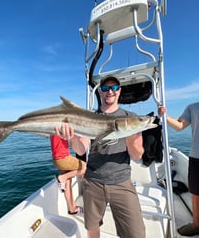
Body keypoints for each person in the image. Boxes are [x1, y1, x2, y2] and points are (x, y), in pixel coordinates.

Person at [55, 76, 146, 238]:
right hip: (93, 182)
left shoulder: (131, 118)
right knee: (92, 227)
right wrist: (73, 137)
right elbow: (81, 150)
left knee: (136, 233)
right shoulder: (89, 116)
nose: (110, 91)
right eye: (105, 88)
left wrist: (130, 136)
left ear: (119, 91)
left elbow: (137, 155)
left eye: (114, 88)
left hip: (121, 182)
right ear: (100, 92)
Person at [158, 104, 199, 236]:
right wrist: (165, 115)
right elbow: (180, 126)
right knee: (195, 192)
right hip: (196, 156)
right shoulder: (192, 108)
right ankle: (197, 224)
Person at [50, 134, 86, 214]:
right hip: (63, 158)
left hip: (56, 159)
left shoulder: (53, 131)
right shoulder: (61, 128)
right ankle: (62, 177)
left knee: (68, 182)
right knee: (86, 167)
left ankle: (72, 209)